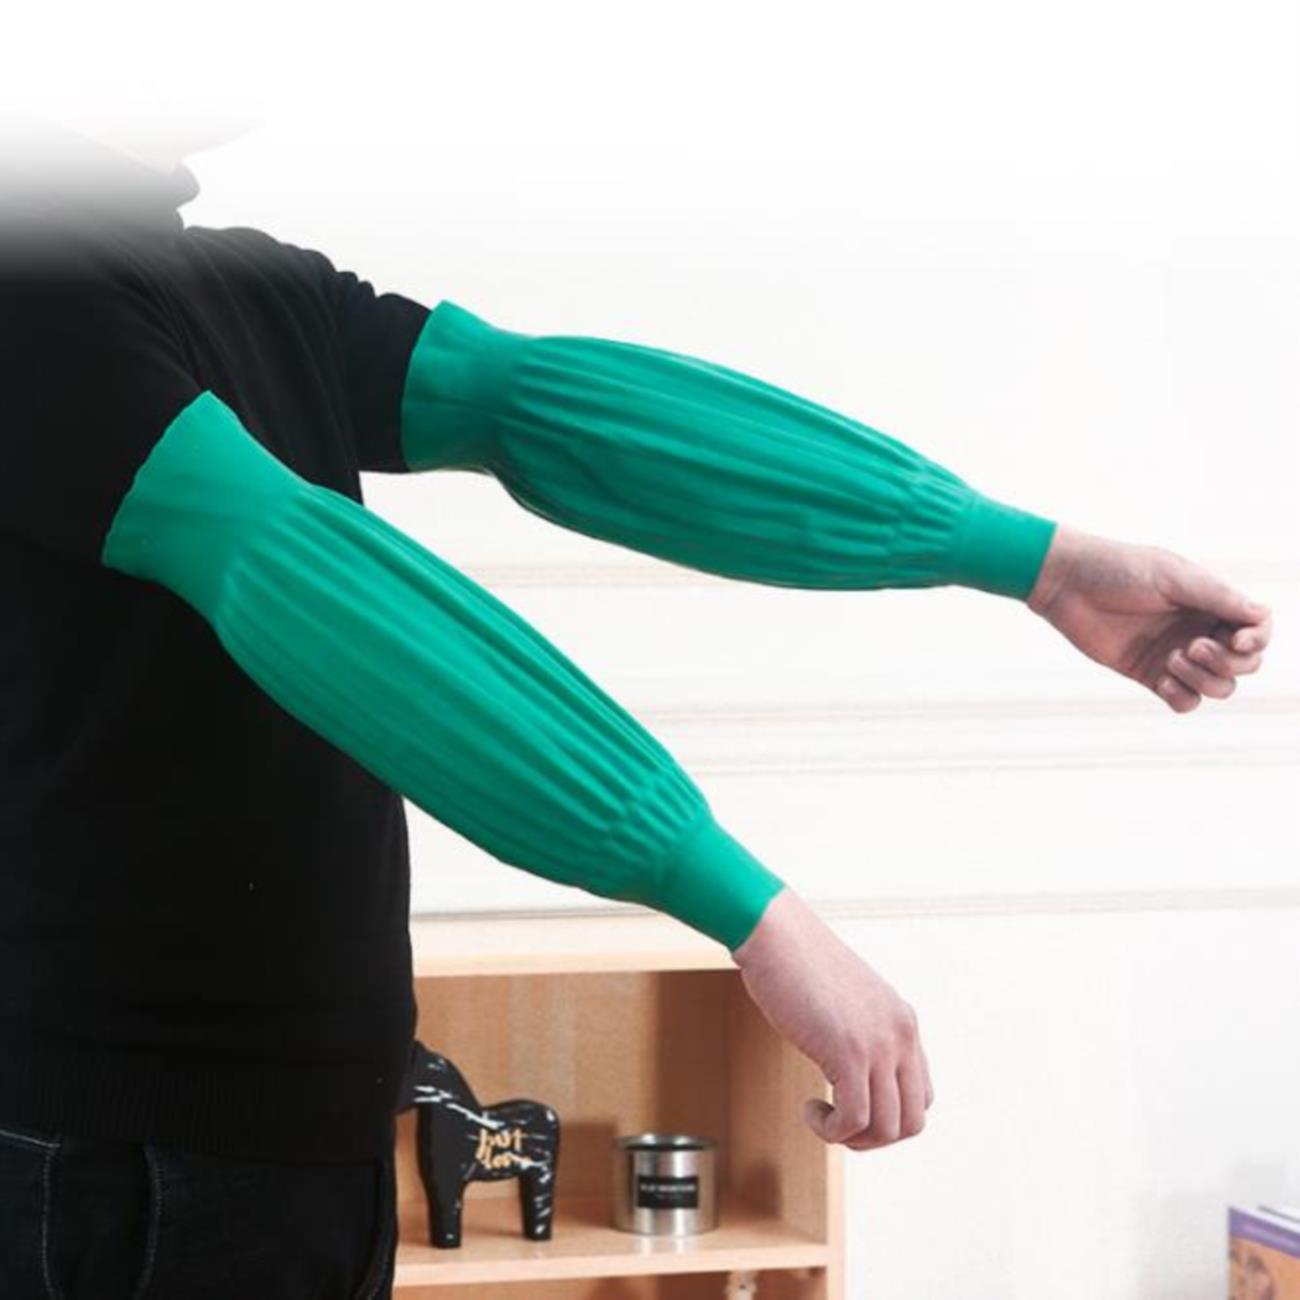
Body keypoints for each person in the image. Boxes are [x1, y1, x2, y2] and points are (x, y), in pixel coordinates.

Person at [0, 103, 1274, 1299]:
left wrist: (1035, 560)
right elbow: (302, 567)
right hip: (109, 1156)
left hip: (291, 1122)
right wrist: (754, 914)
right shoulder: (36, 297)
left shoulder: (238, 284)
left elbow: (550, 410)